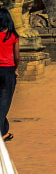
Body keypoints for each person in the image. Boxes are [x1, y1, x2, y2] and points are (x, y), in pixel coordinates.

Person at [0, 9, 18, 143]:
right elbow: (17, 56)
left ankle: (4, 131)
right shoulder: (12, 36)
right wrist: (15, 69)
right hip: (7, 70)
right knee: (4, 103)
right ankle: (1, 133)